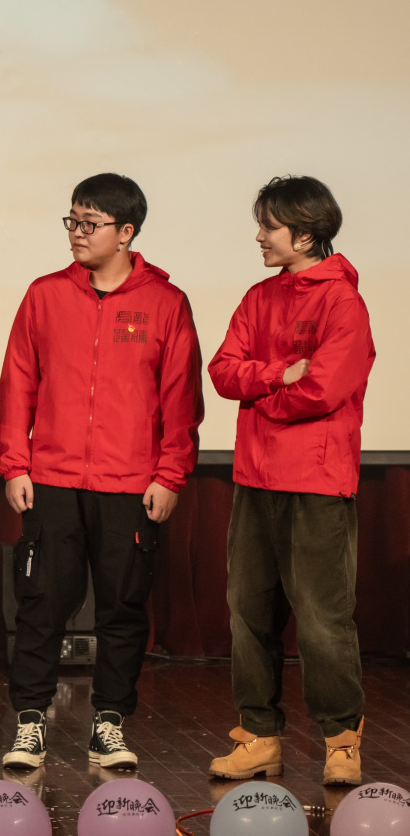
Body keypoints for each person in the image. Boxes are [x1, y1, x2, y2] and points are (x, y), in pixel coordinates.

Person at [0, 173, 203, 770]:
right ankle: (30, 721)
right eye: (73, 221)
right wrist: (14, 463)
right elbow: (17, 383)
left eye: (90, 224)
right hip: (53, 478)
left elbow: (180, 398)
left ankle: (109, 722)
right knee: (41, 604)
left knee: (122, 608)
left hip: (130, 484)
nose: (77, 233)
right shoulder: (45, 295)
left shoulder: (165, 302)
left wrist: (170, 474)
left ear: (126, 231)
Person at [207, 176, 374, 786]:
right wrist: (278, 374)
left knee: (324, 619)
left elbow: (324, 390)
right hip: (256, 478)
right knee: (248, 612)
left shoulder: (342, 302)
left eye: (269, 226)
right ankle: (258, 736)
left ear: (305, 234)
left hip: (317, 480)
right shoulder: (258, 297)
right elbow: (223, 371)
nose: (259, 236)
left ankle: (341, 741)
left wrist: (263, 398)